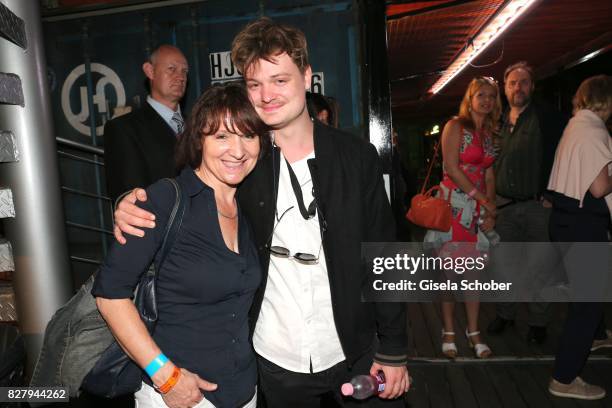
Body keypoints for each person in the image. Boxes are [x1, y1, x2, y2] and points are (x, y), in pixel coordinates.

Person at [112, 17, 409, 408]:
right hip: (272, 357)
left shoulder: (356, 157)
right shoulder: (241, 161)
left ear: (306, 77)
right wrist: (126, 203)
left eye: (280, 80)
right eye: (254, 84)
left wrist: (393, 349)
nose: (266, 95)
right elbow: (183, 188)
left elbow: (385, 256)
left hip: (352, 349)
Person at [93, 83, 269, 408]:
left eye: (248, 135)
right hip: (179, 395)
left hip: (244, 390)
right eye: (221, 136)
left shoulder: (248, 207)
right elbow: (110, 295)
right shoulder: (162, 201)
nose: (237, 149)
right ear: (199, 140)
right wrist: (167, 377)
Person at [486, 61, 565, 343]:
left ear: (532, 86)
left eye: (523, 82)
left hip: (537, 207)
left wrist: (553, 194)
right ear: (504, 89)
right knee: (504, 266)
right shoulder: (496, 121)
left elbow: (562, 156)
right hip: (503, 207)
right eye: (512, 83)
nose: (518, 87)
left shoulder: (547, 117)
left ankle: (538, 322)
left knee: (539, 267)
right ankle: (505, 314)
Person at [424, 77, 500, 358]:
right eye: (481, 94)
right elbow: (452, 168)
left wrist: (490, 206)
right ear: (470, 98)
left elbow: (490, 173)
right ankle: (448, 331)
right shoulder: (455, 125)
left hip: (478, 209)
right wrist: (482, 200)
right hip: (455, 208)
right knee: (450, 275)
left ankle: (473, 330)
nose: (487, 100)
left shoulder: (491, 133)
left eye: (492, 96)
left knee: (473, 276)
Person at [546, 75, 612, 400]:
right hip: (584, 225)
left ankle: (597, 335)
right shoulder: (595, 130)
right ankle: (563, 378)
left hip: (564, 221)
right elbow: (600, 187)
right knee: (586, 304)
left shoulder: (574, 125)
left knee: (587, 297)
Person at [104, 44, 188, 202]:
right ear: (150, 71)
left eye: (184, 71)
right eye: (172, 69)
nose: (181, 77)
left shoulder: (199, 125)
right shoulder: (123, 129)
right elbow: (130, 197)